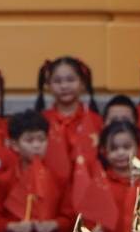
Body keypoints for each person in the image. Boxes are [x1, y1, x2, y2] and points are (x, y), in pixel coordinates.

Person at [36, 55, 102, 184]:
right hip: (49, 187)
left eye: (70, 80)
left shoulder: (96, 121)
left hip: (87, 185)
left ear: (83, 83)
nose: (64, 86)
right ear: (48, 85)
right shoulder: (41, 121)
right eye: (57, 81)